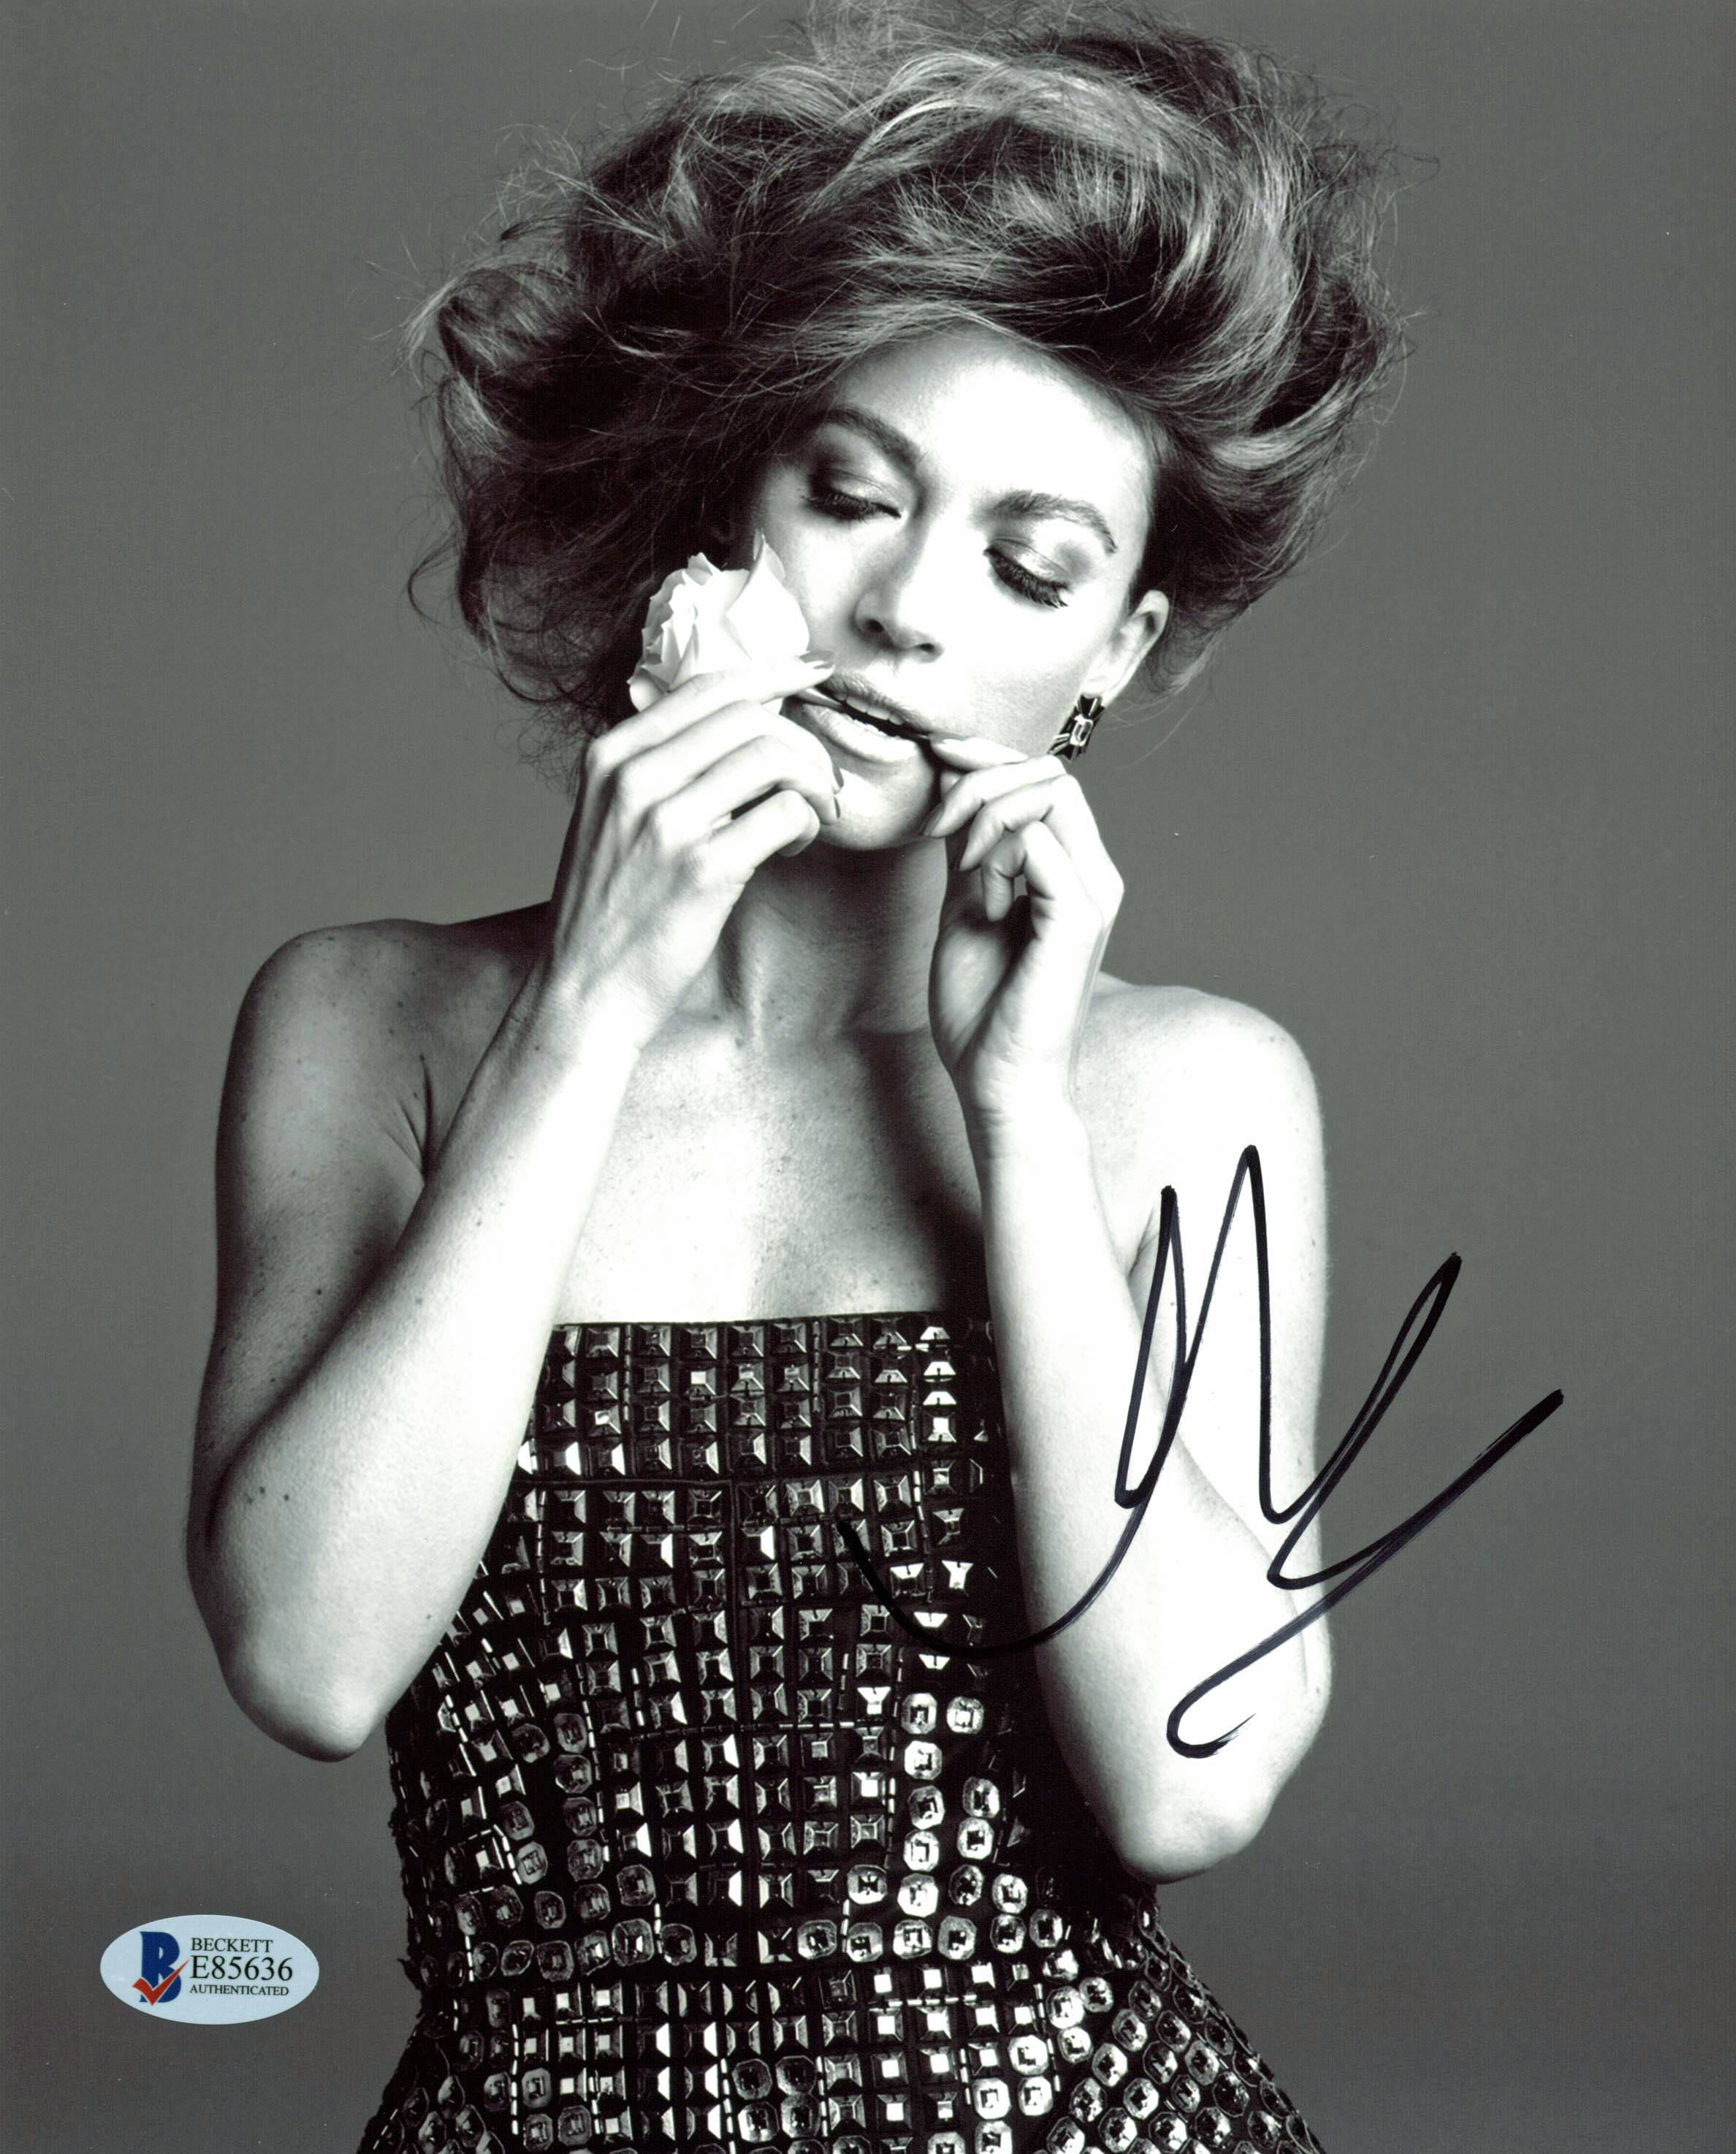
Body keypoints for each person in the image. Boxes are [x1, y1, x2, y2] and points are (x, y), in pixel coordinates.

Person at [185, 7, 1404, 2150]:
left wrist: (1019, 1114)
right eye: (851, 497)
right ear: (717, 516)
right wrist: (591, 1004)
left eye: (1031, 565)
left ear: (1112, 650)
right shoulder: (367, 1024)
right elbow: (308, 1659)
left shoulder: (1189, 1088)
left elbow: (1184, 1788)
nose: (909, 610)